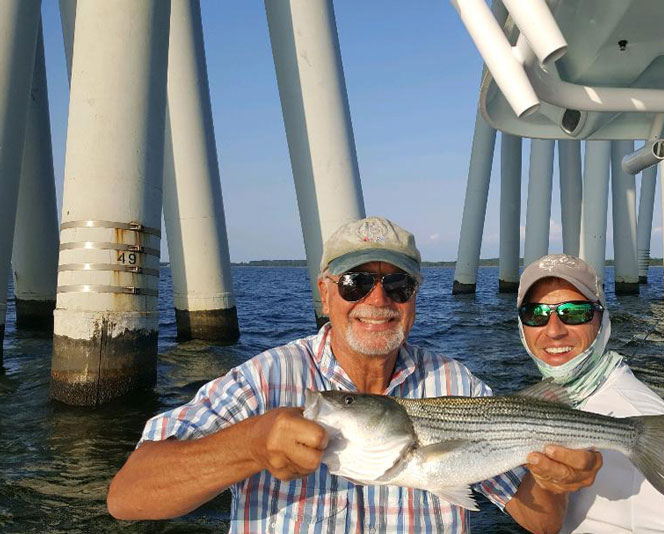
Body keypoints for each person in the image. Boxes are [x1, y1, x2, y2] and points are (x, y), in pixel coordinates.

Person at [107, 217, 602, 533]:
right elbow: (128, 497)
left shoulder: (458, 385)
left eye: (397, 284)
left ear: (413, 298)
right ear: (325, 293)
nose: (377, 300)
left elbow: (541, 521)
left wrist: (555, 483)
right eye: (355, 282)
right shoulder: (264, 380)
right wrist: (251, 445)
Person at [516, 253, 664, 533]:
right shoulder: (557, 398)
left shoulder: (638, 416)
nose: (554, 330)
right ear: (522, 327)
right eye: (536, 314)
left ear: (601, 320)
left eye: (574, 312)